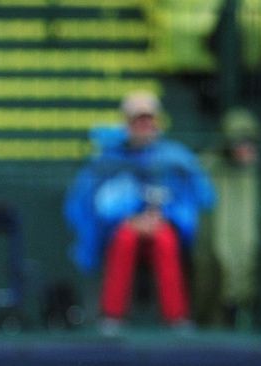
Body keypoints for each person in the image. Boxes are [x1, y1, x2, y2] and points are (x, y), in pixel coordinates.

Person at [63, 91, 213, 331]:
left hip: (165, 228)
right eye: (137, 120)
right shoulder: (107, 160)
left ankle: (177, 318)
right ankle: (111, 317)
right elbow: (88, 205)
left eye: (148, 119)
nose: (144, 126)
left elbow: (198, 199)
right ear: (126, 123)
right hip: (119, 232)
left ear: (157, 122)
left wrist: (166, 217)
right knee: (126, 237)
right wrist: (129, 218)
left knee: (165, 239)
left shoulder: (176, 157)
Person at [191, 108, 261, 329]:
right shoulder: (212, 171)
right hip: (225, 250)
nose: (245, 148)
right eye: (238, 143)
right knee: (224, 257)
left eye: (249, 142)